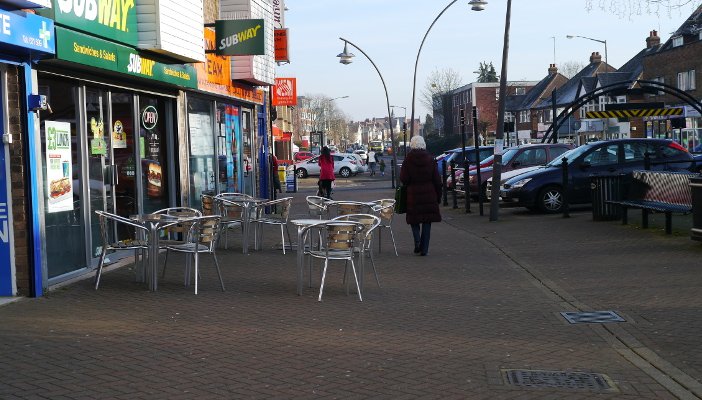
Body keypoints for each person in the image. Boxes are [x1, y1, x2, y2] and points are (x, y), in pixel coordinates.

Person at [400, 135, 442, 256]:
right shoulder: (430, 159)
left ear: (411, 145)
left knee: (414, 220)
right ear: (423, 144)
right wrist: (438, 196)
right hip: (429, 194)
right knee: (427, 222)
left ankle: (417, 242)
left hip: (413, 195)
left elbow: (404, 179)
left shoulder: (408, 160)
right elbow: (437, 180)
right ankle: (425, 249)